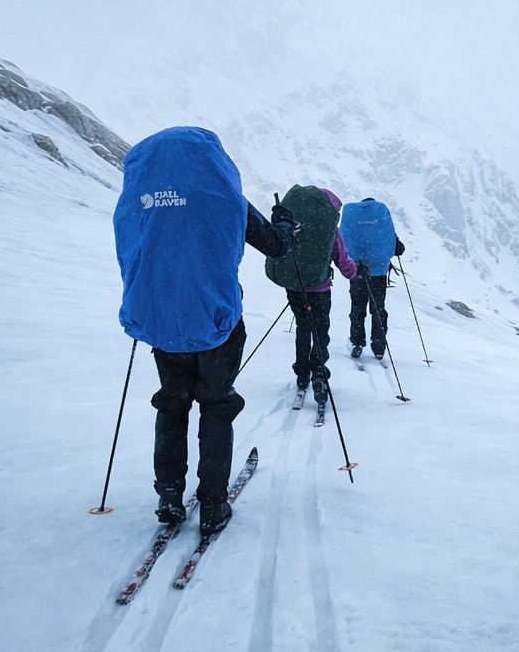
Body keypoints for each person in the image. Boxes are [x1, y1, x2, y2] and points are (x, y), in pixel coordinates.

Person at [113, 127, 297, 535]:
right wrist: (285, 224)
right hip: (216, 320)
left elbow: (130, 251)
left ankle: (169, 496)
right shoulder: (223, 196)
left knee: (173, 403)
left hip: (162, 322)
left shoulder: (137, 200)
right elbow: (275, 245)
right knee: (216, 405)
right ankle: (213, 503)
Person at [264, 185, 356, 406]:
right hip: (320, 289)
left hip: (295, 288)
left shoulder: (292, 225)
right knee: (320, 331)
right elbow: (342, 259)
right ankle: (318, 373)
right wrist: (354, 273)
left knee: (303, 329)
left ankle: (302, 373)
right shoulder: (328, 228)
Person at [339, 197, 406, 361]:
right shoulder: (381, 225)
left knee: (357, 308)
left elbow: (342, 241)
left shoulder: (353, 222)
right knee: (378, 309)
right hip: (378, 272)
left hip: (357, 271)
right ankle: (379, 346)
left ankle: (357, 343)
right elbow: (398, 249)